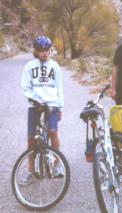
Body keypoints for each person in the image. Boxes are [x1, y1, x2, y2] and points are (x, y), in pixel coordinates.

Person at [21, 35, 64, 185]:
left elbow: (60, 88)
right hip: (35, 105)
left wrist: (60, 107)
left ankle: (57, 165)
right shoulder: (30, 66)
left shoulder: (55, 66)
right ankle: (30, 171)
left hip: (51, 104)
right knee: (31, 138)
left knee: (52, 132)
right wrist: (35, 100)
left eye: (47, 50)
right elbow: (25, 87)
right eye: (41, 50)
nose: (45, 53)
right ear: (37, 51)